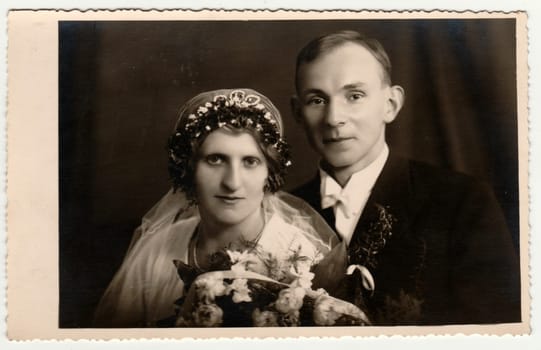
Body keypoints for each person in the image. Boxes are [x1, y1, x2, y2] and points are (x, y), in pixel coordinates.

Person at [290, 30, 521, 325]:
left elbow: (495, 329)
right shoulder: (282, 212)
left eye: (354, 96)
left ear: (391, 104)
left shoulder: (462, 201)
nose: (334, 117)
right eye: (317, 100)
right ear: (298, 112)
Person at [94, 88, 336, 327]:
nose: (232, 182)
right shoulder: (156, 249)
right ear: (189, 170)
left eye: (250, 162)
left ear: (268, 173)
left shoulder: (303, 260)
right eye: (215, 159)